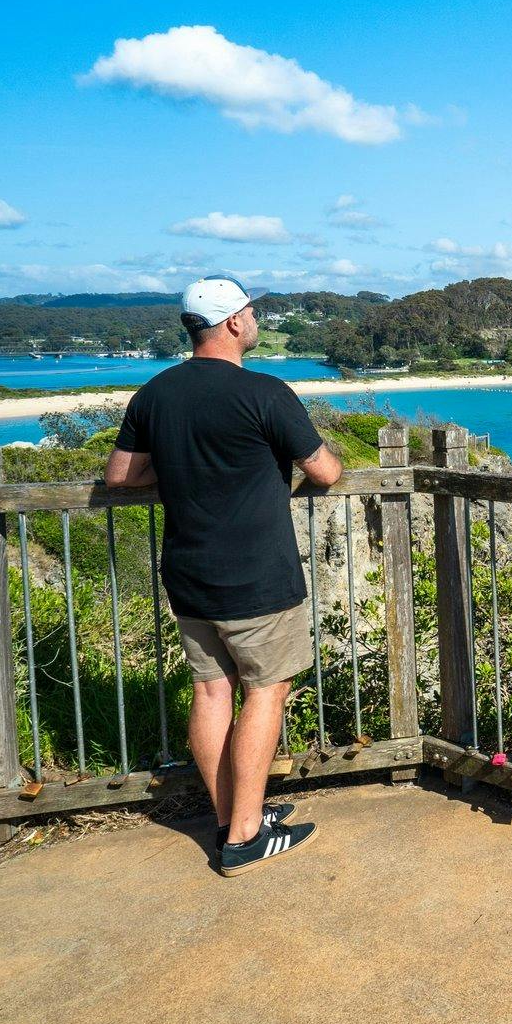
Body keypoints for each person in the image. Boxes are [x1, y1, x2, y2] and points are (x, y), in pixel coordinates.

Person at [104, 275, 342, 875]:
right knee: (266, 690)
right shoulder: (264, 392)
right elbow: (326, 472)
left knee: (212, 691)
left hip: (188, 573)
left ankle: (230, 816)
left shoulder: (155, 394)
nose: (256, 319)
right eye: (252, 311)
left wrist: (181, 477)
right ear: (234, 322)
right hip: (257, 577)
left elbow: (120, 477)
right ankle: (244, 836)